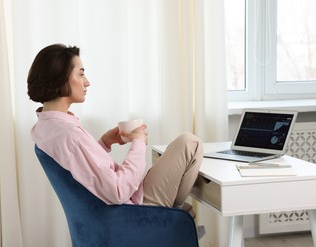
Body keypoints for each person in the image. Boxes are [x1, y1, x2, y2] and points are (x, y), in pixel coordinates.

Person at [27, 43, 203, 215]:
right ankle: (174, 222)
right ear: (61, 78)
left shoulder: (47, 126)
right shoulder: (69, 134)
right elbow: (118, 191)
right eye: (81, 75)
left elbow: (79, 167)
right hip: (132, 209)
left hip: (124, 203)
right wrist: (138, 143)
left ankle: (178, 219)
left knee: (183, 150)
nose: (87, 82)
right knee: (190, 143)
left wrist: (104, 142)